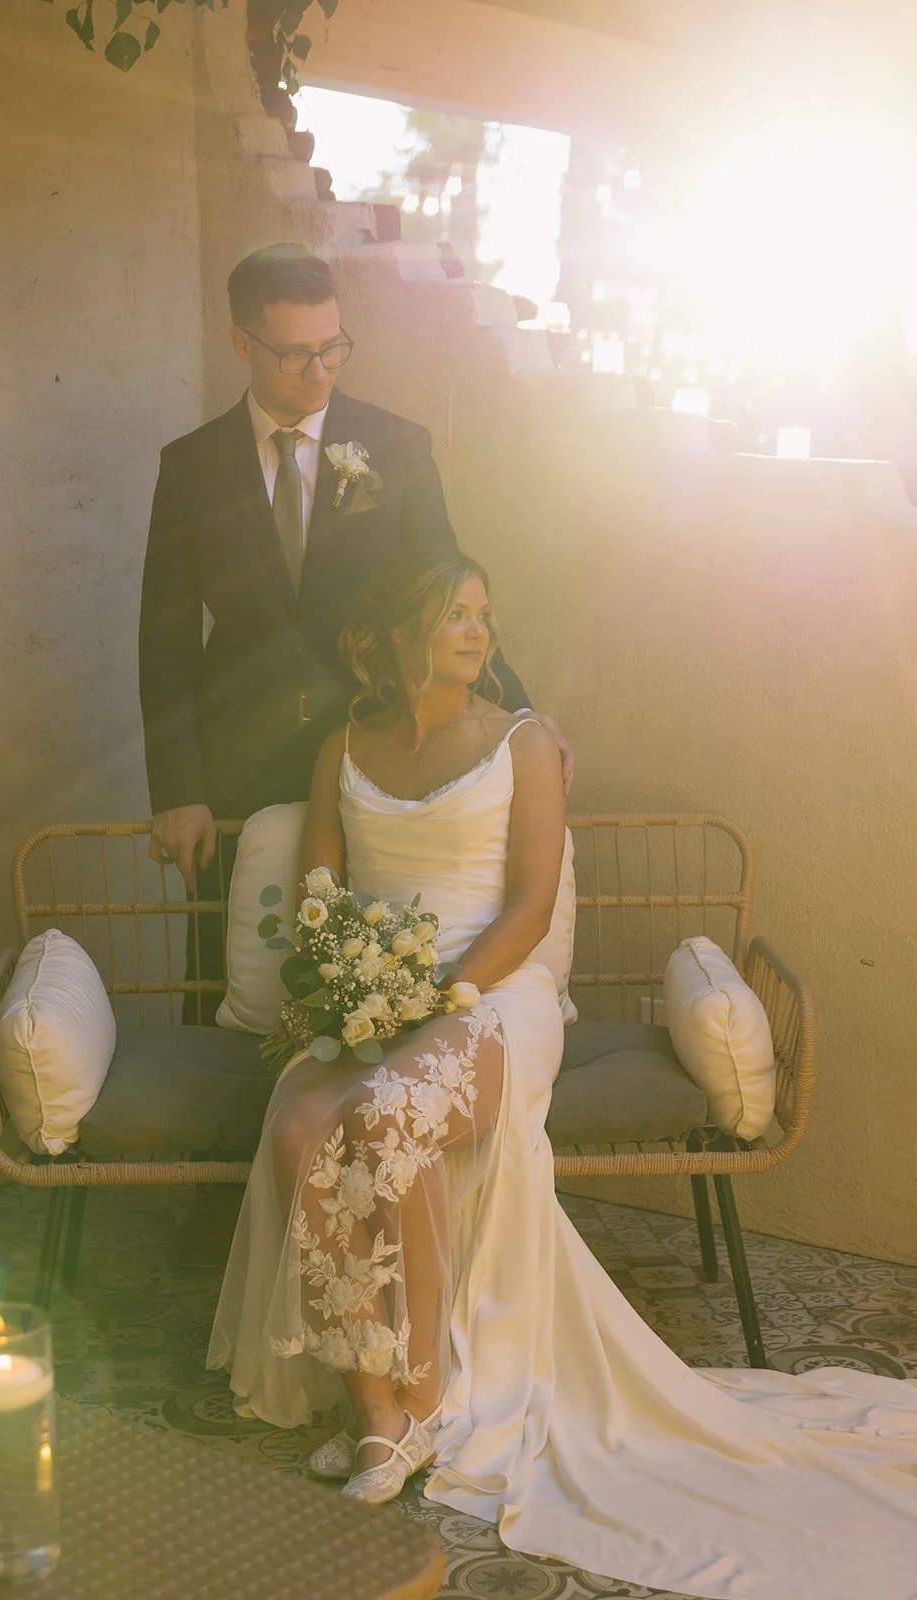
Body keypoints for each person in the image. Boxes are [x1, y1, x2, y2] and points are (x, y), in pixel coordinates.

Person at [209, 549, 917, 1598]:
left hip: (490, 997)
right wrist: (346, 991)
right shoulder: (338, 748)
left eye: (482, 614)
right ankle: (372, 1404)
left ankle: (414, 1400)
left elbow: (531, 907)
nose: (476, 631)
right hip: (375, 996)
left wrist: (436, 999)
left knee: (390, 1120)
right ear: (397, 633)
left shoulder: (522, 742)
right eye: (453, 613)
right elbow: (319, 898)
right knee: (298, 1132)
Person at [139, 242, 570, 1262]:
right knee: (237, 965)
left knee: (368, 950)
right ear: (241, 340)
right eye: (291, 354)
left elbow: (447, 587)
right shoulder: (188, 464)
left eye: (331, 347)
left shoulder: (395, 444)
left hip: (377, 740)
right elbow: (162, 635)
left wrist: (527, 727)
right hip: (237, 755)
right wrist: (180, 789)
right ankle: (238, 1209)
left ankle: (375, 1171)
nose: (316, 371)